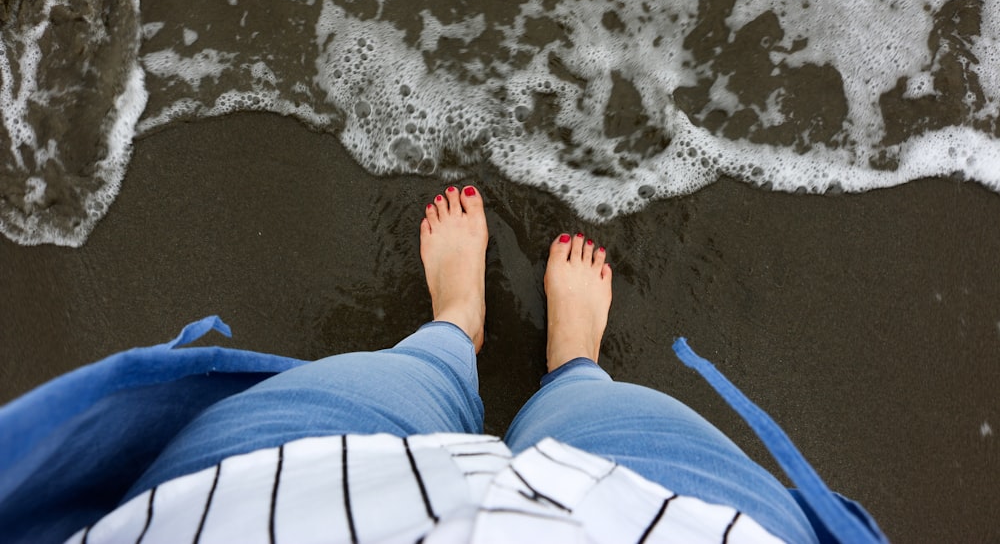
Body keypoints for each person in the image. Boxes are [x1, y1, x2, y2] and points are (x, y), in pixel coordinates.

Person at [0, 185, 885, 543]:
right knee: (588, 419)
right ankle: (567, 360)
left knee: (405, 383)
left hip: (262, 510)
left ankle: (455, 331)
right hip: (670, 525)